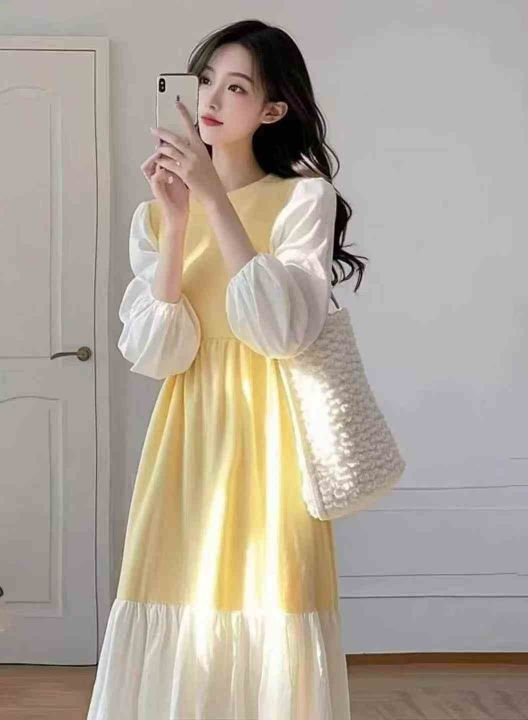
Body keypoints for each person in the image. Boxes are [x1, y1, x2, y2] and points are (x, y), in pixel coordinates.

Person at [87, 19, 367, 720]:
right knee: (174, 602)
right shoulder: (155, 218)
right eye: (205, 79)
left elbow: (280, 331)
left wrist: (214, 196)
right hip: (186, 437)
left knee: (273, 602)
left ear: (272, 110)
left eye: (236, 87)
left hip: (273, 440)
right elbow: (159, 353)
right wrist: (179, 220)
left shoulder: (303, 198)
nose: (210, 99)